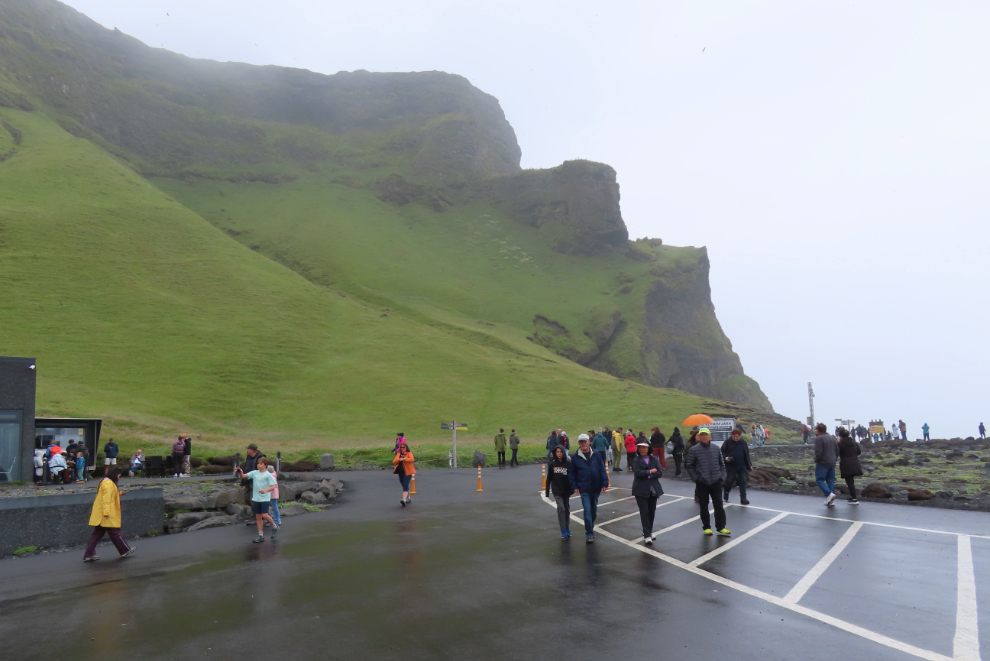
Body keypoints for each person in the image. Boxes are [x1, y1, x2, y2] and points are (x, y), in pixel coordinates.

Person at [83, 466, 136, 561]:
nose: (119, 478)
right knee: (115, 532)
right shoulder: (109, 483)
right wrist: (106, 513)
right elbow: (106, 499)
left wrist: (119, 493)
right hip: (106, 513)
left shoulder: (105, 482)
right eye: (119, 475)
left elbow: (108, 496)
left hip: (100, 513)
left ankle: (89, 553)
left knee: (97, 534)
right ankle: (124, 550)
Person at [685, 428, 729, 536]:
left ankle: (721, 527)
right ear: (699, 437)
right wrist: (696, 479)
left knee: (718, 505)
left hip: (716, 481)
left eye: (706, 435)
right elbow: (689, 466)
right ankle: (706, 527)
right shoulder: (694, 450)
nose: (704, 437)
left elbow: (722, 465)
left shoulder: (716, 448)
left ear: (710, 436)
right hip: (702, 482)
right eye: (702, 435)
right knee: (704, 505)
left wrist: (721, 477)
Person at [570, 434, 608, 543]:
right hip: (584, 487)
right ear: (578, 443)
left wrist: (605, 482)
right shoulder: (575, 457)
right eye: (581, 442)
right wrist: (575, 486)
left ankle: (591, 525)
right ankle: (589, 533)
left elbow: (602, 469)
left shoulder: (596, 454)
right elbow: (571, 473)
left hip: (596, 486)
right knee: (587, 510)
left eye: (585, 441)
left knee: (593, 510)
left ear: (589, 442)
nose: (583, 444)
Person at [235, 457, 279, 543]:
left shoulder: (268, 475)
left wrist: (265, 491)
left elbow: (272, 487)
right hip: (256, 498)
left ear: (265, 465)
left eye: (260, 463)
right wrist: (240, 471)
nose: (258, 464)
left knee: (264, 515)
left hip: (265, 498)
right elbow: (244, 476)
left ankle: (274, 526)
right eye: (258, 463)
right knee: (258, 516)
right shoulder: (254, 473)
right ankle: (260, 535)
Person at [631, 439, 664, 545]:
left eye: (644, 447)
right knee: (644, 512)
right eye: (640, 448)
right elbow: (637, 472)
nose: (642, 450)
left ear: (648, 448)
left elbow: (659, 472)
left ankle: (648, 530)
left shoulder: (654, 459)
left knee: (651, 511)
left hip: (653, 489)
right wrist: (650, 471)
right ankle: (647, 534)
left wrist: (648, 474)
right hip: (640, 490)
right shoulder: (636, 460)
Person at [545, 446, 573, 539]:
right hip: (556, 490)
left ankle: (567, 527)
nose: (559, 453)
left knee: (566, 509)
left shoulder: (568, 463)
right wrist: (547, 492)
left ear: (563, 453)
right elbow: (549, 478)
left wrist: (573, 489)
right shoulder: (552, 464)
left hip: (566, 490)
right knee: (561, 508)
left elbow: (572, 477)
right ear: (555, 453)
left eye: (561, 451)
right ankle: (563, 529)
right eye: (557, 452)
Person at [721, 428, 752, 505]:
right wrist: (726, 457)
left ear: (740, 436)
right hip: (731, 465)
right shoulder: (727, 442)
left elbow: (746, 455)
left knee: (743, 481)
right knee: (730, 480)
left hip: (742, 465)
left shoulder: (743, 443)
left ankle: (743, 498)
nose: (735, 438)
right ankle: (726, 492)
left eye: (737, 436)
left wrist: (749, 465)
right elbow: (722, 451)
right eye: (733, 436)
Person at [814, 423, 839, 506]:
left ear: (818, 430)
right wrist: (835, 460)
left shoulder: (819, 439)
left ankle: (829, 494)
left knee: (820, 480)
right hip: (832, 462)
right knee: (831, 481)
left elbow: (818, 452)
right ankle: (831, 500)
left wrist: (817, 460)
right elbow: (837, 451)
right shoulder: (832, 438)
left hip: (823, 462)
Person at [837, 429, 862, 504]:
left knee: (849, 481)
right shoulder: (854, 443)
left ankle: (854, 498)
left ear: (841, 436)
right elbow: (859, 452)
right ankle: (852, 497)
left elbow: (837, 453)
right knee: (851, 481)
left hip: (846, 464)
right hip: (855, 463)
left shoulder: (840, 444)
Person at [392, 441, 416, 506]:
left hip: (408, 472)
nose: (402, 448)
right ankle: (408, 498)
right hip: (400, 472)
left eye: (403, 447)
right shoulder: (398, 454)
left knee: (405, 484)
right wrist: (399, 460)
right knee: (403, 484)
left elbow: (412, 459)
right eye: (401, 447)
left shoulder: (409, 453)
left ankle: (404, 499)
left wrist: (404, 459)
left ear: (406, 448)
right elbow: (394, 461)